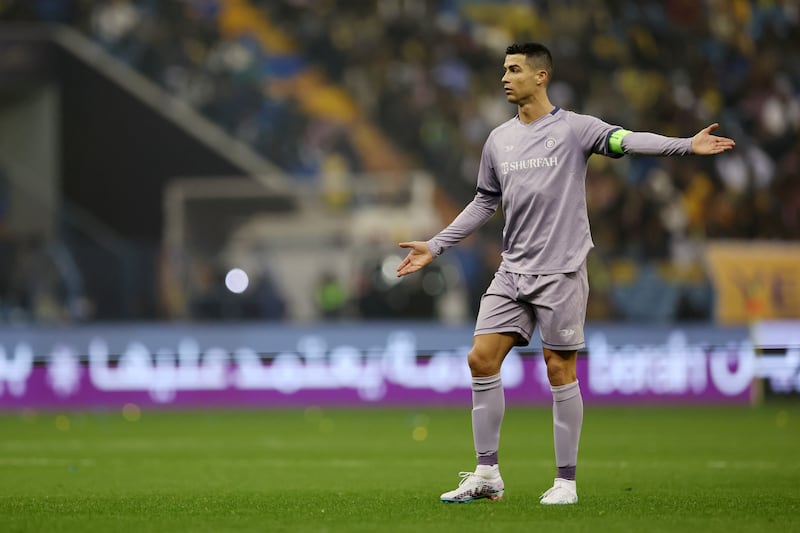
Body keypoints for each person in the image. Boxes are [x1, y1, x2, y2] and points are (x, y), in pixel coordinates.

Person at [395, 42, 735, 505]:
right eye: (503, 69)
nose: (504, 78)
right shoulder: (498, 139)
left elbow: (626, 140)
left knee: (559, 368)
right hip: (512, 271)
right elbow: (483, 202)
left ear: (540, 76)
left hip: (562, 270)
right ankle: (487, 474)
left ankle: (566, 483)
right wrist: (435, 245)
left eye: (513, 69)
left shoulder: (576, 129)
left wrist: (685, 146)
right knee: (480, 358)